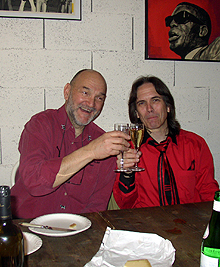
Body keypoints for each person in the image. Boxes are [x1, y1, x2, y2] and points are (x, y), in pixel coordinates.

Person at [11, 69, 130, 219]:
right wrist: (90, 152)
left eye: (99, 98)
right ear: (67, 92)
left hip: (75, 232)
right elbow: (35, 182)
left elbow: (97, 207)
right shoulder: (40, 124)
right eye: (85, 93)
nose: (91, 103)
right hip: (26, 228)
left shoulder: (103, 141)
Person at [113, 75, 219, 209]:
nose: (149, 108)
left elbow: (209, 192)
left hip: (191, 224)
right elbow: (125, 204)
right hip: (147, 223)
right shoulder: (128, 149)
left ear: (168, 106)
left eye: (155, 100)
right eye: (142, 103)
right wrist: (127, 174)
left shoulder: (195, 144)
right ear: (137, 113)